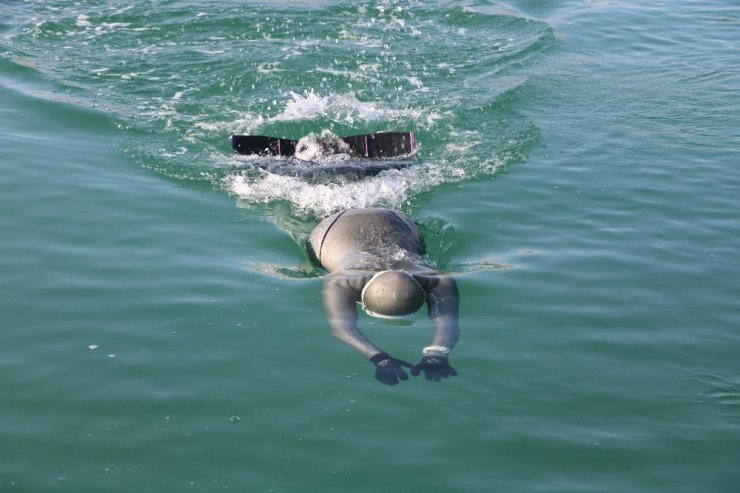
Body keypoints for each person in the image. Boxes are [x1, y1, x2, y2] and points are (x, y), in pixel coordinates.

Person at [307, 208, 460, 385]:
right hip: (333, 226)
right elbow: (341, 330)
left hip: (391, 218)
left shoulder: (437, 280)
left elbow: (342, 328)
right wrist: (379, 359)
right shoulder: (341, 281)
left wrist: (436, 355)